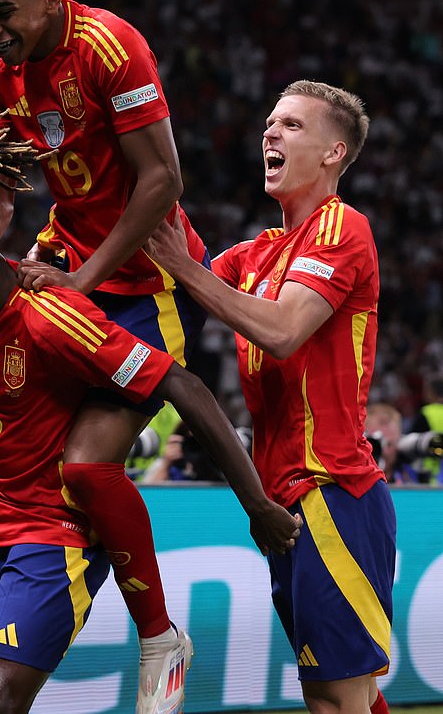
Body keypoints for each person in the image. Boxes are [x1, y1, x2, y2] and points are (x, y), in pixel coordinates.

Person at [0, 127, 301, 714]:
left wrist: (259, 505)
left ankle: (160, 638)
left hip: (47, 542)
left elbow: (187, 388)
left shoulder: (52, 318)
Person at [0, 0, 213, 710]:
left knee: (85, 467)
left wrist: (85, 280)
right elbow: (0, 184)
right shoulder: (1, 72)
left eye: (5, 11)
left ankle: (162, 638)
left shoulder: (110, 45)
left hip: (145, 282)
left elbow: (162, 179)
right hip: (63, 261)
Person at [148, 80, 395, 714]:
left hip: (333, 490)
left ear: (334, 152)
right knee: (341, 700)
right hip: (283, 503)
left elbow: (283, 331)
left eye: (290, 125)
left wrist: (188, 269)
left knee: (337, 700)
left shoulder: (345, 228)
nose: (270, 134)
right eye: (269, 124)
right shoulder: (256, 252)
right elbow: (169, 257)